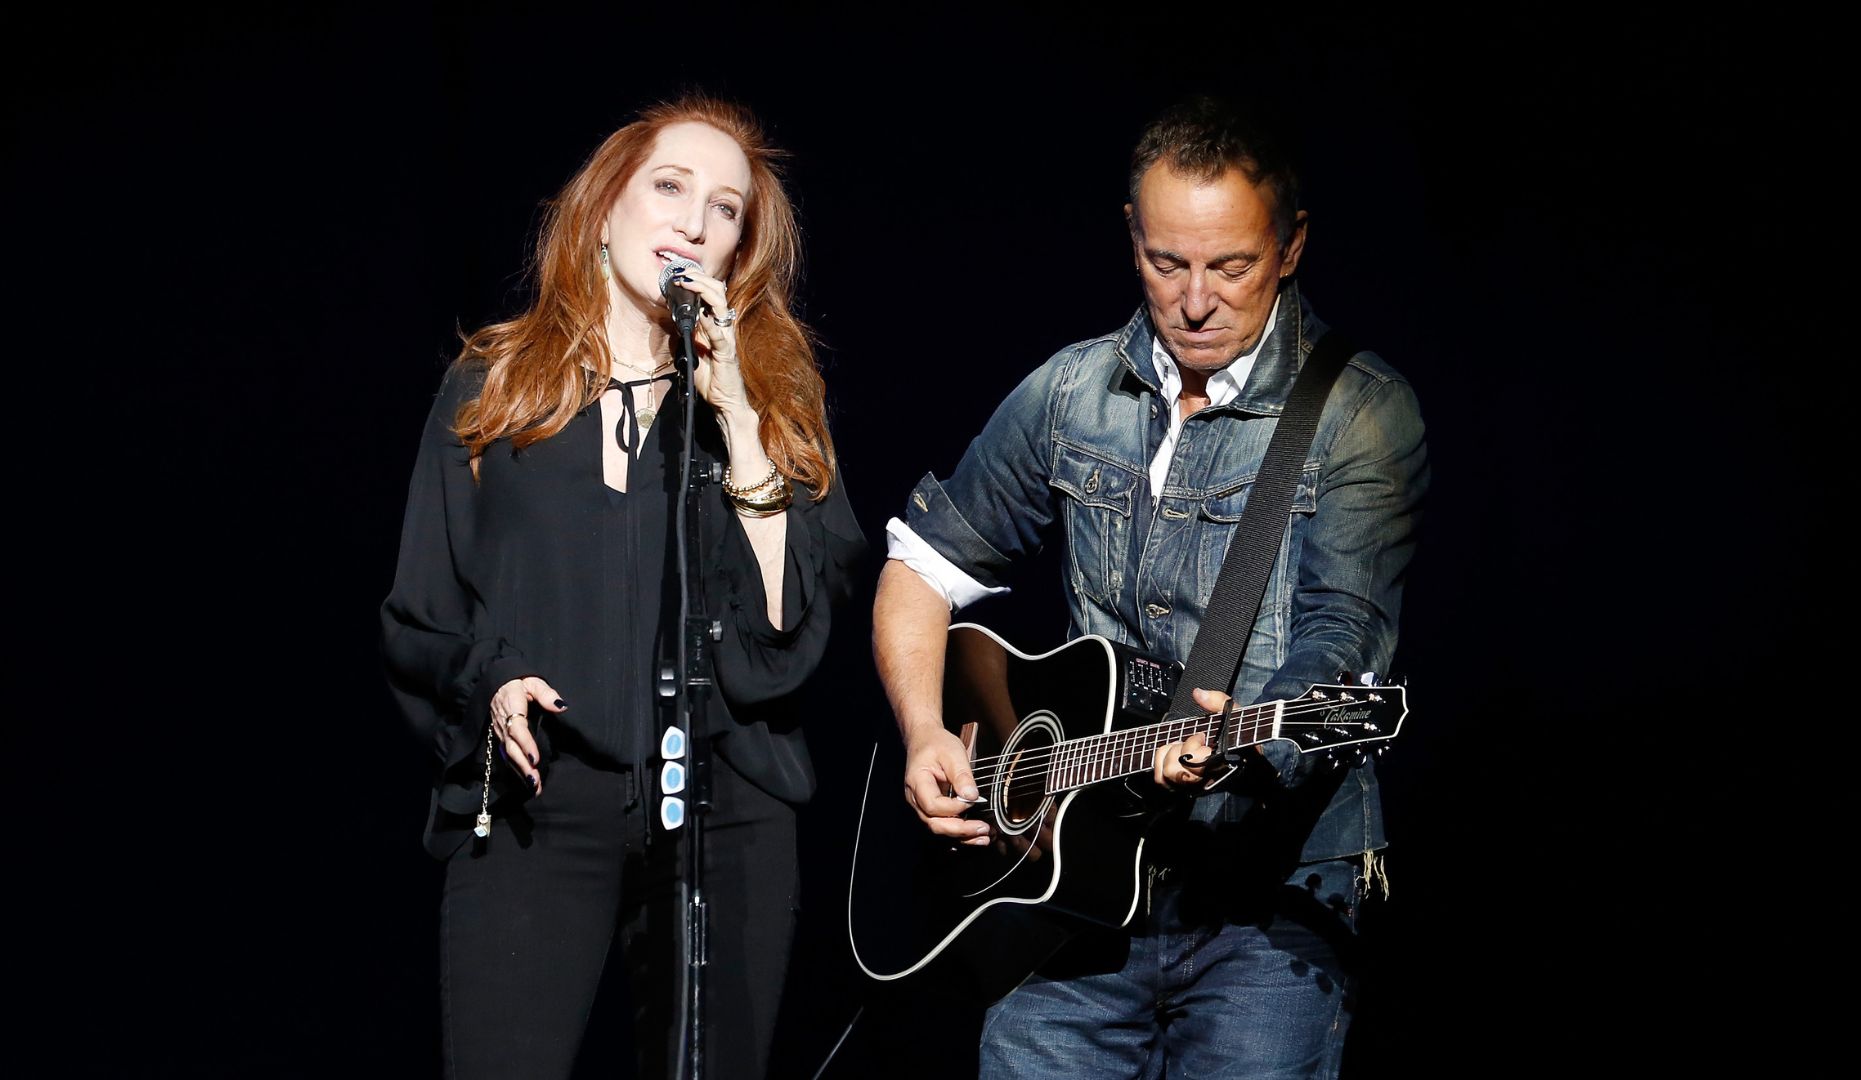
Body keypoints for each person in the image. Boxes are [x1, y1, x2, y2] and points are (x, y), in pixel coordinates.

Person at [871, 95, 1428, 1077]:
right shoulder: (1069, 392)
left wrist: (1246, 746)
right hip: (1067, 897)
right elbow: (919, 568)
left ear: (1292, 246)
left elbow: (1343, 639)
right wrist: (924, 733)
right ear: (1132, 239)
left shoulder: (1360, 415)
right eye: (1169, 263)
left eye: (1232, 266)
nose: (1197, 299)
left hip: (1269, 911)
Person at [380, 93, 863, 1079]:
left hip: (724, 811)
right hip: (537, 800)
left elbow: (784, 632)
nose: (694, 221)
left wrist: (734, 411)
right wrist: (495, 682)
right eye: (671, 187)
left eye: (726, 209)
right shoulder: (495, 387)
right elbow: (421, 614)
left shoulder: (770, 402)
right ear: (607, 207)